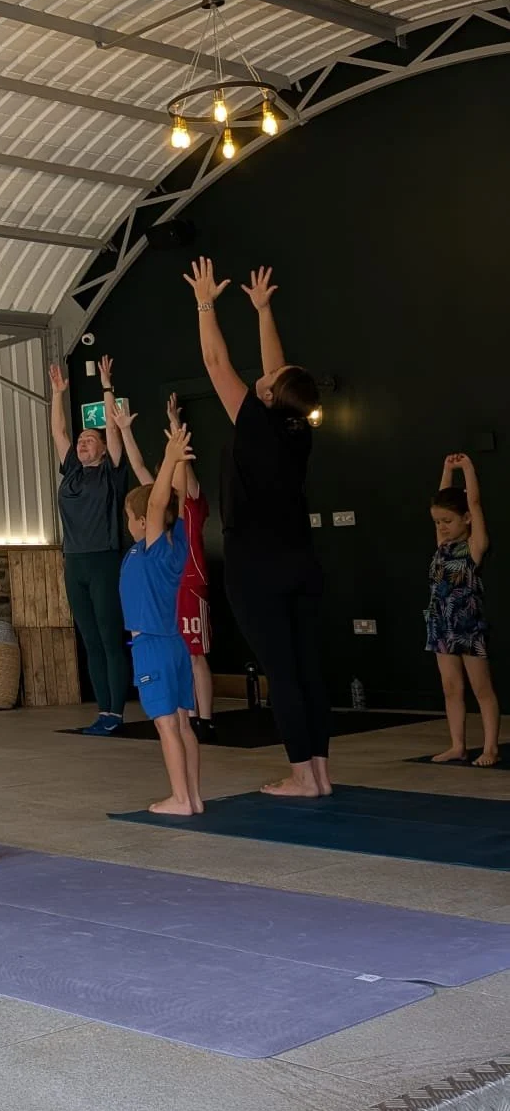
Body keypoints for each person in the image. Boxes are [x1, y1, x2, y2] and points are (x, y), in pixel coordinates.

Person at [186, 259, 329, 796]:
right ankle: (319, 770)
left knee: (283, 673)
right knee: (307, 669)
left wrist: (205, 303)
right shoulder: (297, 429)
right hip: (301, 562)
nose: (263, 375)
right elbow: (281, 371)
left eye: (266, 381)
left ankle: (301, 776)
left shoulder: (254, 424)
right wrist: (264, 310)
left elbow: (214, 358)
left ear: (268, 397)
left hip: (257, 567)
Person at [121, 423, 204, 815]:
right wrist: (180, 462)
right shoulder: (177, 540)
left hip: (153, 644)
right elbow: (176, 500)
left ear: (140, 523)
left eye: (128, 516)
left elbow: (157, 504)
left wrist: (172, 457)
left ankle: (181, 798)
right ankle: (195, 796)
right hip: (174, 644)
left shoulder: (153, 547)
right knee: (183, 722)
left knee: (166, 724)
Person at [49, 354, 133, 733]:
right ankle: (104, 711)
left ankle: (118, 711)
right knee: (90, 639)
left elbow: (114, 434)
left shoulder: (111, 474)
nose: (83, 444)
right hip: (75, 561)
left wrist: (107, 388)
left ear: (101, 449)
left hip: (104, 560)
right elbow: (59, 433)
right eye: (81, 440)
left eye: (90, 440)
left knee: (109, 635)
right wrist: (57, 394)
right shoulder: (71, 474)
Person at [427, 454, 498, 766]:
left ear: (466, 519)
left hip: (467, 623)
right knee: (450, 688)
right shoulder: (442, 545)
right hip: (441, 622)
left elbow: (476, 505)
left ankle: (490, 748)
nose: (442, 527)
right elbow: (443, 499)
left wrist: (467, 469)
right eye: (437, 522)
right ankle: (458, 745)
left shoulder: (474, 546)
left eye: (447, 521)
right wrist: (445, 470)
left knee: (481, 688)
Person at [168, 393, 215, 738]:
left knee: (196, 654)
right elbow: (142, 469)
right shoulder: (165, 510)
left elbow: (187, 476)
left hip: (192, 580)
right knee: (182, 655)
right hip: (172, 583)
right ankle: (190, 712)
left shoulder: (193, 504)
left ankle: (206, 717)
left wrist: (176, 432)